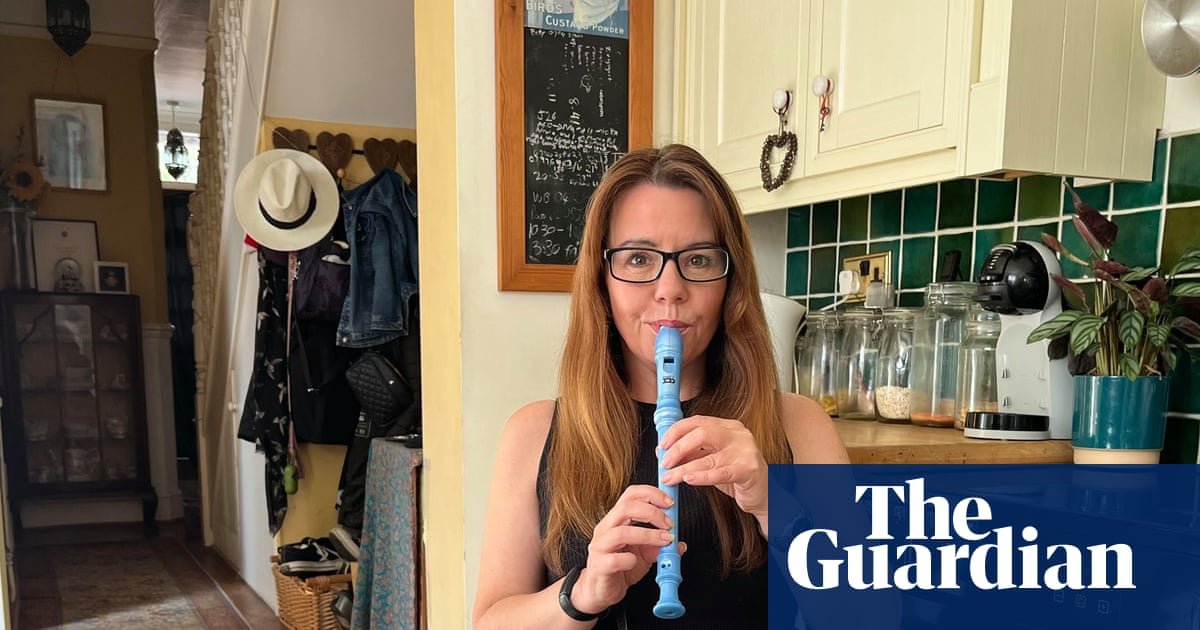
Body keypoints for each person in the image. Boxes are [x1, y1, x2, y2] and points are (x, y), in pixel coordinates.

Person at [473, 144, 849, 628]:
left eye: (699, 260)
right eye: (637, 259)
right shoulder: (533, 432)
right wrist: (581, 593)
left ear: (729, 282)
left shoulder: (798, 425)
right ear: (602, 282)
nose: (670, 289)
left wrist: (776, 508)